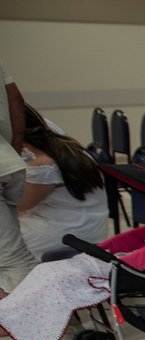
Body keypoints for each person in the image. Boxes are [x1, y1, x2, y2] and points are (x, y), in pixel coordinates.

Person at [18, 104, 108, 261]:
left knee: (7, 245)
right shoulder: (63, 145)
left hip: (68, 232)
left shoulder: (43, 164)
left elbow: (19, 205)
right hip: (83, 225)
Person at [0, 51, 37, 301]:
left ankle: (55, 328)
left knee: (12, 257)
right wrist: (12, 147)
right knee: (9, 254)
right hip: (4, 161)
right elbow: (15, 97)